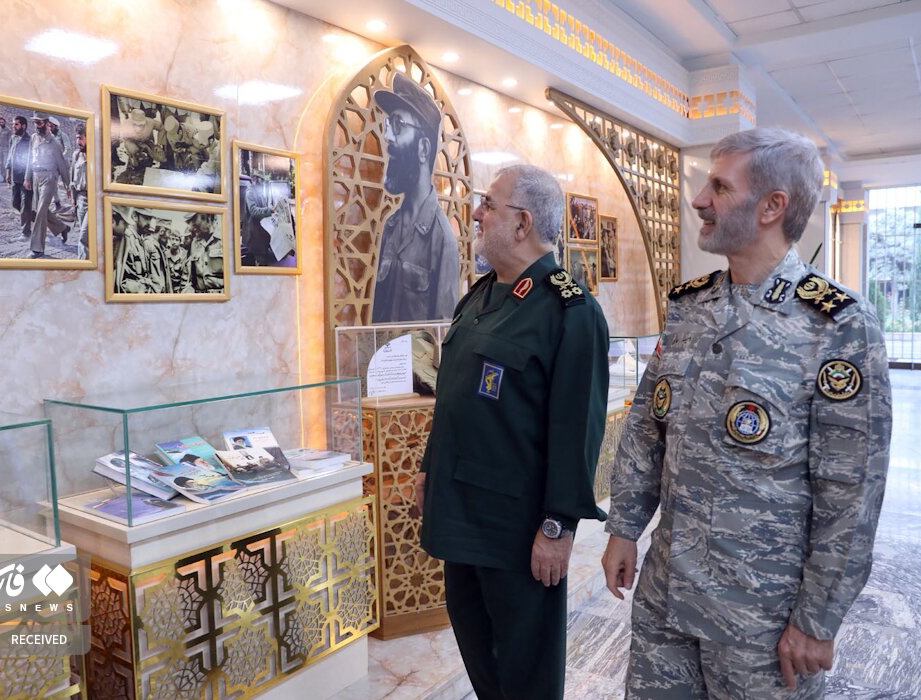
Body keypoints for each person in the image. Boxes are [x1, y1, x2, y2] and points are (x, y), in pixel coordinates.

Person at [601, 127, 892, 699]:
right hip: (666, 598)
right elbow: (646, 431)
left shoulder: (837, 326)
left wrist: (818, 618)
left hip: (761, 620)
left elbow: (851, 492)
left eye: (719, 187)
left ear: (771, 206)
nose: (699, 200)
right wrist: (625, 528)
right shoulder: (690, 307)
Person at [416, 164, 610, 699]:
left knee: (527, 674)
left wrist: (557, 527)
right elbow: (454, 398)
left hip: (518, 533)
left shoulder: (570, 311)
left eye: (488, 203)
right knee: (483, 662)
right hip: (462, 518)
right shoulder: (480, 296)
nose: (476, 213)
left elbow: (577, 432)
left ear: (522, 223)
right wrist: (429, 468)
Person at [371, 73, 460, 323]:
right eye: (389, 125)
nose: (388, 137)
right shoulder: (391, 226)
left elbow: (444, 331)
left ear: (423, 149)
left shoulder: (442, 239)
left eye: (398, 125)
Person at [24, 112, 71, 258]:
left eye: (39, 123)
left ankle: (37, 249)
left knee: (40, 212)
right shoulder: (33, 138)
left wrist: (68, 185)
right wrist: (27, 178)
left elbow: (62, 165)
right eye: (35, 123)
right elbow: (29, 159)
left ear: (46, 123)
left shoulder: (54, 143)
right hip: (36, 177)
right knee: (39, 210)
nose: (36, 126)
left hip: (49, 179)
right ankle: (62, 227)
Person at [5, 115, 33, 240]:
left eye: (16, 124)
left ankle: (25, 232)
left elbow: (31, 161)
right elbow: (10, 156)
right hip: (15, 177)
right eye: (13, 124)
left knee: (25, 205)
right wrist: (8, 172)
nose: (13, 127)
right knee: (15, 203)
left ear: (24, 126)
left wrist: (28, 178)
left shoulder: (30, 140)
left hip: (26, 178)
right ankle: (55, 224)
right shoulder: (13, 138)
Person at [186, 211, 223, 292]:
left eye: (196, 226)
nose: (192, 229)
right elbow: (192, 277)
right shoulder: (195, 243)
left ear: (208, 218)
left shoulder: (226, 239)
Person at [70, 122, 89, 259]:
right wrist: (73, 200)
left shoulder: (100, 156)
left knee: (84, 236)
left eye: (81, 138)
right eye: (77, 138)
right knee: (86, 236)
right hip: (81, 199)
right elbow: (73, 180)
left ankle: (83, 266)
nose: (78, 142)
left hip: (95, 201)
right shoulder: (76, 155)